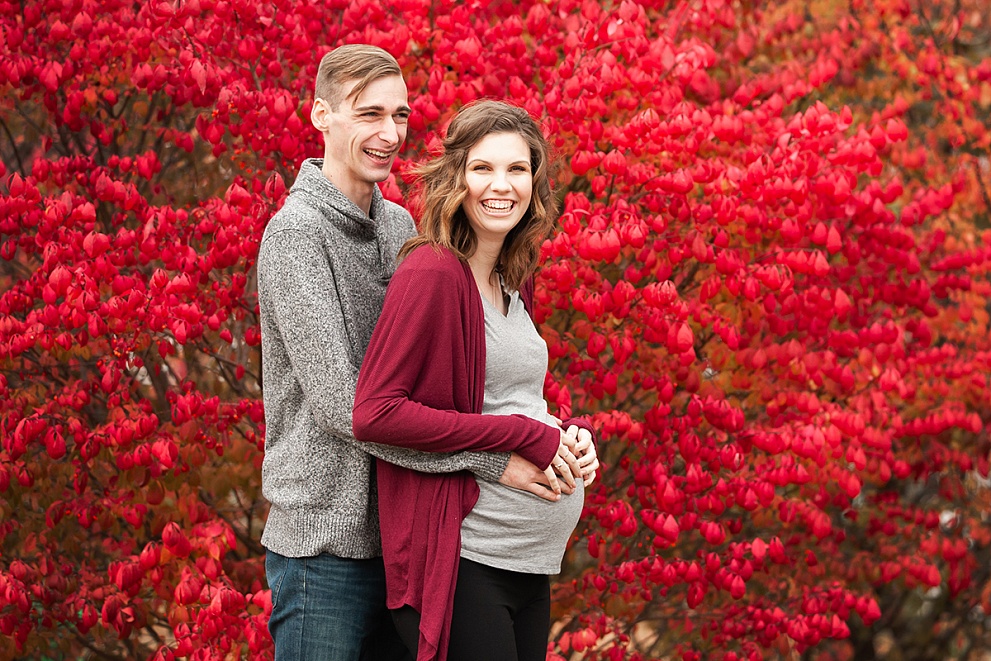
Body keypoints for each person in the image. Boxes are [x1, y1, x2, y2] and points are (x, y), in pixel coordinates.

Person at [255, 47, 581, 661]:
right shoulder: (296, 236)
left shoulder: (401, 227)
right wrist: (496, 457)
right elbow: (346, 409)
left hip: (413, 533)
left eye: (400, 115)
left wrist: (549, 432)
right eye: (369, 113)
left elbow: (454, 377)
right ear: (321, 114)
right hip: (326, 546)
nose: (389, 133)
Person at [352, 100, 599, 661]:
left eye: (516, 170)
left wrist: (566, 433)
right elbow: (375, 413)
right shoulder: (433, 272)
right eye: (482, 168)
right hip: (464, 561)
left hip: (526, 564)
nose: (501, 185)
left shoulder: (512, 275)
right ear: (456, 177)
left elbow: (511, 398)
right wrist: (523, 437)